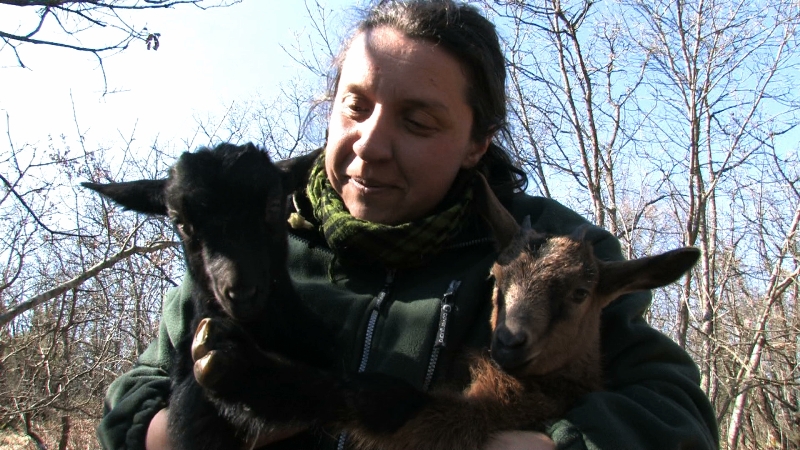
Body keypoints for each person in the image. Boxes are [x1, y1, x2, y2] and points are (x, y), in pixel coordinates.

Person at [97, 1, 719, 449]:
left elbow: (674, 415)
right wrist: (185, 431)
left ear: (477, 143)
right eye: (357, 106)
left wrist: (526, 445)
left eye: (418, 122)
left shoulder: (544, 252)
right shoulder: (251, 234)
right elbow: (136, 398)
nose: (371, 144)